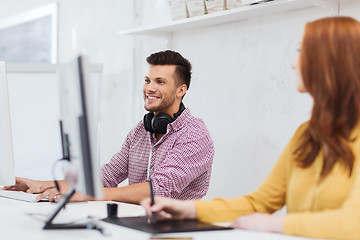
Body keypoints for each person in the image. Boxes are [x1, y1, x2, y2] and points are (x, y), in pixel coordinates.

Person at [141, 17, 360, 239]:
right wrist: (191, 210)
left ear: (331, 62)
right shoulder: (307, 133)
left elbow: (355, 223)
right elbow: (261, 202)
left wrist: (276, 225)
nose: (294, 64)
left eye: (303, 52)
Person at [3, 50, 215, 204]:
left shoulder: (194, 135)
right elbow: (106, 177)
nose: (149, 87)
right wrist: (44, 184)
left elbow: (159, 189)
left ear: (181, 90)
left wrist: (90, 194)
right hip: (136, 222)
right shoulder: (141, 131)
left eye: (160, 82)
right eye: (147, 80)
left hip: (176, 230)